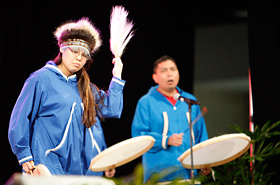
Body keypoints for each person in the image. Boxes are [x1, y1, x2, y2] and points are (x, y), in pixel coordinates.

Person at [8, 17, 125, 177]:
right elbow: (20, 117)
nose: (79, 58)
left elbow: (112, 109)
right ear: (62, 48)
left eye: (85, 55)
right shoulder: (42, 78)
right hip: (47, 164)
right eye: (75, 50)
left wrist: (117, 78)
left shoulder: (86, 88)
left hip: (80, 169)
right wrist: (23, 154)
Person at [131, 55, 210, 183]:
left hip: (189, 176)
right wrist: (165, 140)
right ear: (155, 77)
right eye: (163, 71)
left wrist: (205, 161)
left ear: (178, 73)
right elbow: (138, 137)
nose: (169, 74)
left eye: (173, 69)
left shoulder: (189, 101)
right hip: (159, 177)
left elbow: (201, 135)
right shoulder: (146, 102)